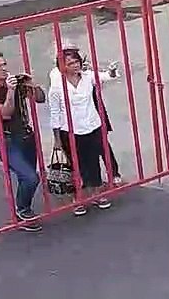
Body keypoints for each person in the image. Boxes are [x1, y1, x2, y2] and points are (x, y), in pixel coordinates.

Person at [48, 43, 120, 214]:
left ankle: (96, 193)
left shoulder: (87, 77)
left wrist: (110, 71)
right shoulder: (57, 86)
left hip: (92, 126)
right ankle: (77, 198)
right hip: (70, 131)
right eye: (70, 63)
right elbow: (55, 113)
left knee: (93, 161)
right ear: (62, 67)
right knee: (76, 165)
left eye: (76, 62)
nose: (75, 65)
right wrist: (57, 138)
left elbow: (105, 77)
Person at [0, 49, 46, 231]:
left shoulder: (15, 82)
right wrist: (11, 91)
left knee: (27, 176)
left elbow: (40, 99)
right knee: (31, 177)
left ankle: (24, 208)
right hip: (6, 140)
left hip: (26, 137)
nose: (4, 69)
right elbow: (5, 113)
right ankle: (22, 210)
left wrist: (32, 85)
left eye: (4, 64)